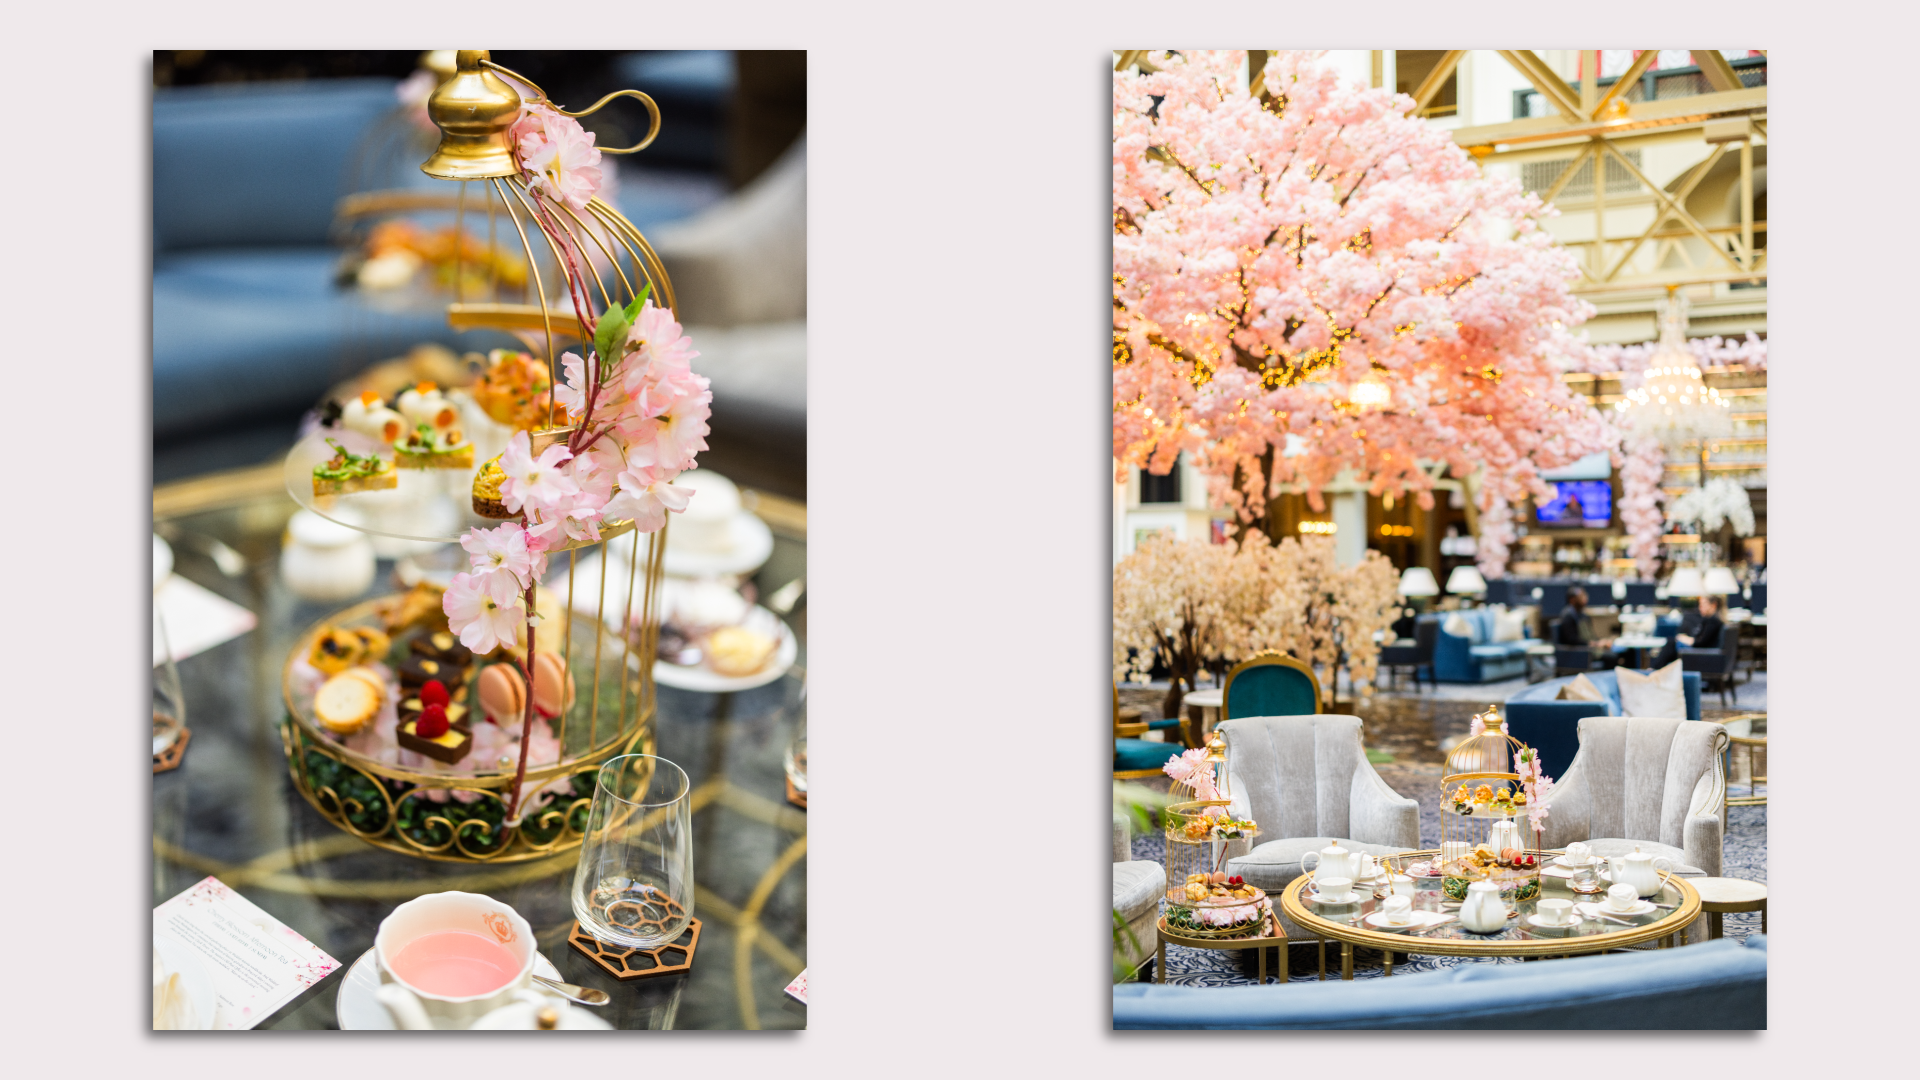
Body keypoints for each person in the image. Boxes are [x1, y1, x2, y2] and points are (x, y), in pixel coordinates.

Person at [1653, 594, 1724, 668]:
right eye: (1700, 604)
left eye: (1703, 604)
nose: (1700, 608)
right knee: (1672, 645)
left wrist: (1686, 639)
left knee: (1671, 644)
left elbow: (1700, 643)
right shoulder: (1714, 620)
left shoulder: (1713, 621)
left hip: (1702, 654)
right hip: (1704, 653)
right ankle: (1659, 670)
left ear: (1713, 605)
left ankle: (1655, 670)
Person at [1554, 587, 1615, 668]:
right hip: (1580, 653)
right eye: (1581, 596)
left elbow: (1591, 635)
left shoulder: (1583, 615)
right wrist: (1594, 644)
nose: (1584, 598)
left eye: (1584, 595)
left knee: (1617, 651)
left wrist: (1600, 642)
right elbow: (1572, 640)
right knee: (1612, 657)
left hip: (1589, 649)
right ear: (1572, 600)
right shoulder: (1568, 616)